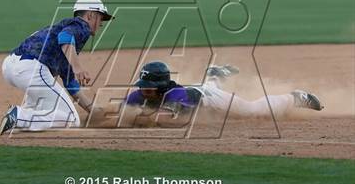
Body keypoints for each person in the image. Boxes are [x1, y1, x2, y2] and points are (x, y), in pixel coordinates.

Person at [0, 0, 114, 135]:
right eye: (101, 17)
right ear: (90, 15)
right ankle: (19, 117)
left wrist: (93, 111)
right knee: (71, 119)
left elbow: (71, 85)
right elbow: (65, 37)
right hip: (31, 67)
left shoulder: (67, 45)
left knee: (39, 111)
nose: (101, 23)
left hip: (13, 65)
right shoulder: (81, 26)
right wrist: (78, 68)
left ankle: (12, 120)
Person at [125, 61, 323, 120]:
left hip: (213, 99)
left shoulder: (176, 95)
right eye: (142, 87)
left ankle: (296, 98)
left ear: (160, 86)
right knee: (208, 85)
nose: (144, 91)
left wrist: (136, 117)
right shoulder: (139, 94)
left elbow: (163, 118)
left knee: (253, 110)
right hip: (198, 90)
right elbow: (121, 110)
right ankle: (214, 74)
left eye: (148, 88)